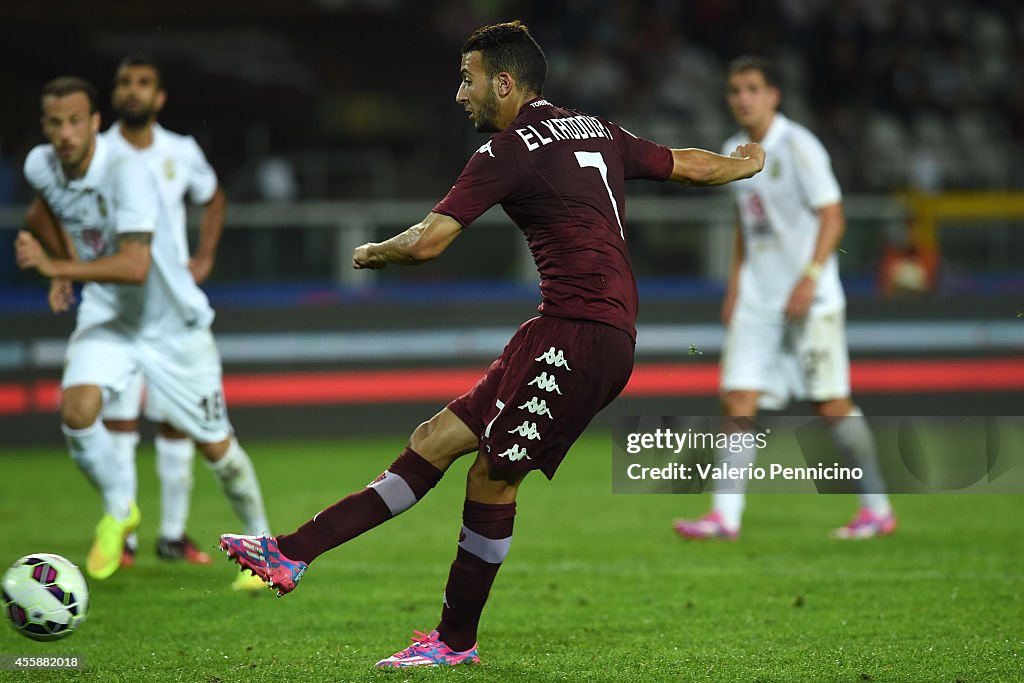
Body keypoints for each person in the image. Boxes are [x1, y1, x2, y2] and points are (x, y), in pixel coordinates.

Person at [221, 21, 764, 667]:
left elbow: (427, 242)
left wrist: (372, 252)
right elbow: (691, 165)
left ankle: (454, 641)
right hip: (566, 328)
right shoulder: (597, 129)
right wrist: (749, 163)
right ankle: (290, 551)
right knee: (435, 439)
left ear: (504, 83)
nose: (460, 93)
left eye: (467, 78)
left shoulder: (507, 150)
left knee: (493, 477)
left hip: (580, 334)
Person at [15, 75, 270, 583]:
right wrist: (65, 263)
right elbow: (40, 212)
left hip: (173, 325)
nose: (63, 134)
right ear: (44, 127)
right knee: (77, 411)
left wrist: (57, 270)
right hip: (110, 316)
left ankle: (263, 547)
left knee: (219, 449)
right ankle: (119, 510)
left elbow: (134, 265)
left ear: (93, 124)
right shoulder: (40, 164)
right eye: (53, 123)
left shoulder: (127, 173)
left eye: (73, 123)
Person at [672, 56, 896, 542]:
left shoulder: (799, 146)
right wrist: (735, 286)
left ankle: (876, 507)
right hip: (758, 297)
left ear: (774, 94)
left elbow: (833, 216)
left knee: (831, 403)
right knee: (738, 397)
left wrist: (810, 276)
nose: (743, 98)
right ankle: (724, 517)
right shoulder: (735, 150)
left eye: (753, 88)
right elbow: (745, 227)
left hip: (810, 299)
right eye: (735, 90)